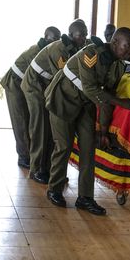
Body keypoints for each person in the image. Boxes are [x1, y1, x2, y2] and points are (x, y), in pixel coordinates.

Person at [45, 28, 130, 213]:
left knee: (89, 148)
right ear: (114, 43)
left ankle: (85, 198)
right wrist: (124, 103)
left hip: (86, 104)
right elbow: (91, 88)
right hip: (63, 99)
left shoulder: (119, 65)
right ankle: (54, 189)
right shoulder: (91, 54)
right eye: (127, 45)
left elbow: (108, 98)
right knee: (64, 146)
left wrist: (104, 131)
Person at [20, 20, 88, 183]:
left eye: (86, 34)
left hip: (46, 84)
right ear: (71, 35)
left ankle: (49, 169)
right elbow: (64, 76)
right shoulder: (60, 49)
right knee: (39, 128)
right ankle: (35, 170)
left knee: (50, 130)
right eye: (81, 35)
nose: (85, 38)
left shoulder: (73, 47)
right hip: (34, 84)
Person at [0, 27, 61, 169]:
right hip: (14, 82)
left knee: (29, 121)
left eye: (58, 38)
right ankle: (23, 157)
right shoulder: (38, 51)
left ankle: (31, 156)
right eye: (53, 38)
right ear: (46, 37)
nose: (56, 41)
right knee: (20, 120)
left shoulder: (48, 50)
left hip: (27, 83)